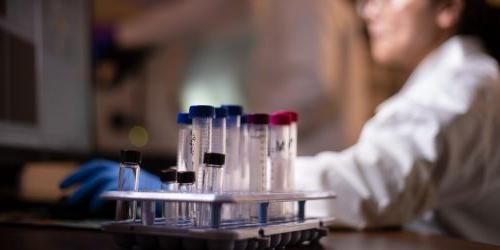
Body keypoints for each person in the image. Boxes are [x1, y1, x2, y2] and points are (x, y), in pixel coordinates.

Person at [294, 0, 500, 245]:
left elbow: (376, 188)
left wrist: (257, 178)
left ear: (448, 8)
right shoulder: (453, 77)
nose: (368, 11)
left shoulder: (459, 86)